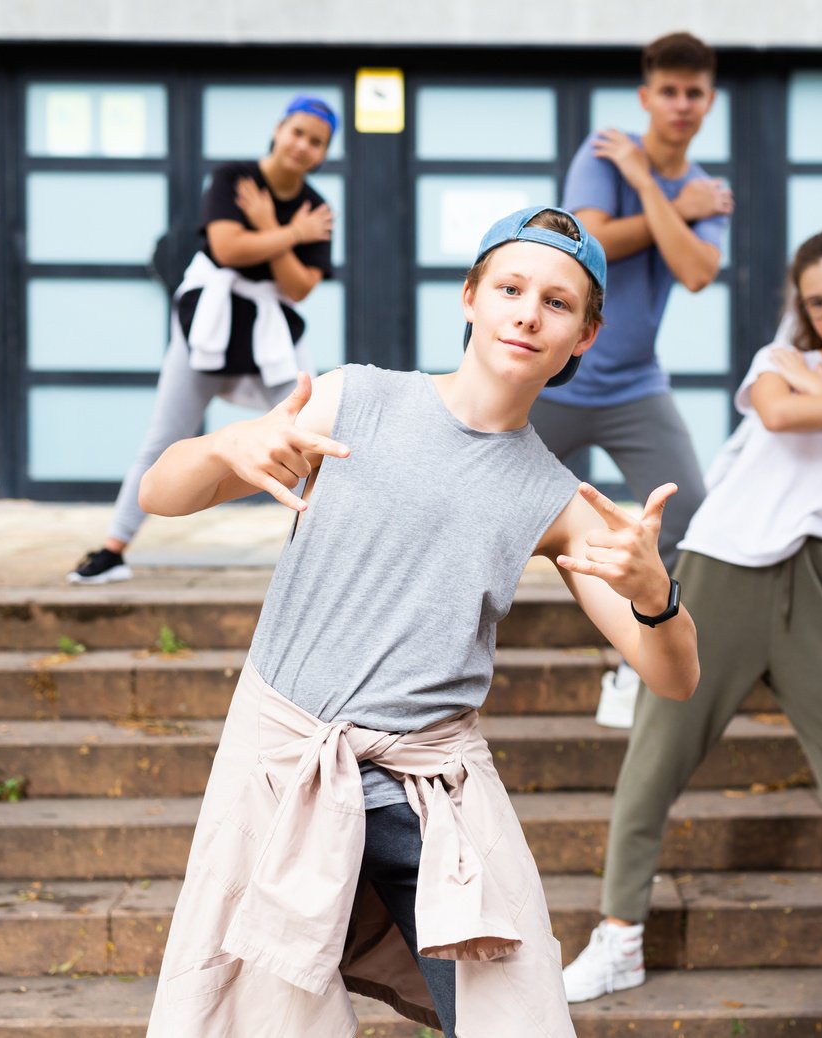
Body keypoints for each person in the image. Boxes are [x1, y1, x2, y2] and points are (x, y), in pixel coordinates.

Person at [139, 207, 700, 1036]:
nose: (526, 313)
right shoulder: (350, 399)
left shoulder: (560, 501)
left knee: (517, 1010)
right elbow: (160, 492)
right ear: (471, 297)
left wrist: (656, 592)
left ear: (584, 335)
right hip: (283, 765)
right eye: (509, 288)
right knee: (243, 1015)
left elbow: (673, 674)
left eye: (555, 302)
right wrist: (229, 447)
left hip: (428, 791)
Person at [561, 229, 822, 1005]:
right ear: (801, 308)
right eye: (817, 302)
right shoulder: (780, 364)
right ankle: (618, 939)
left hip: (811, 583)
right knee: (655, 762)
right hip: (720, 573)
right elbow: (778, 417)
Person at [531, 30, 732, 728]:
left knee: (688, 510)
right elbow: (586, 247)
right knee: (470, 491)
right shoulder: (603, 153)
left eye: (693, 93)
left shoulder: (700, 181)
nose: (680, 104)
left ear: (709, 102)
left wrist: (649, 187)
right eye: (668, 92)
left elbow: (699, 272)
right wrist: (675, 207)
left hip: (634, 387)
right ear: (647, 96)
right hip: (557, 379)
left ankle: (635, 664)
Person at [67, 95, 337, 585]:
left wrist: (269, 226)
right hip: (206, 325)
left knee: (312, 430)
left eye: (316, 142)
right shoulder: (234, 177)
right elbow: (226, 248)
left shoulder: (316, 209)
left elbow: (299, 287)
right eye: (298, 132)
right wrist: (290, 236)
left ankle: (326, 557)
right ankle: (112, 548)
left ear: (323, 153)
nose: (303, 146)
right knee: (163, 438)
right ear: (279, 130)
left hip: (269, 330)